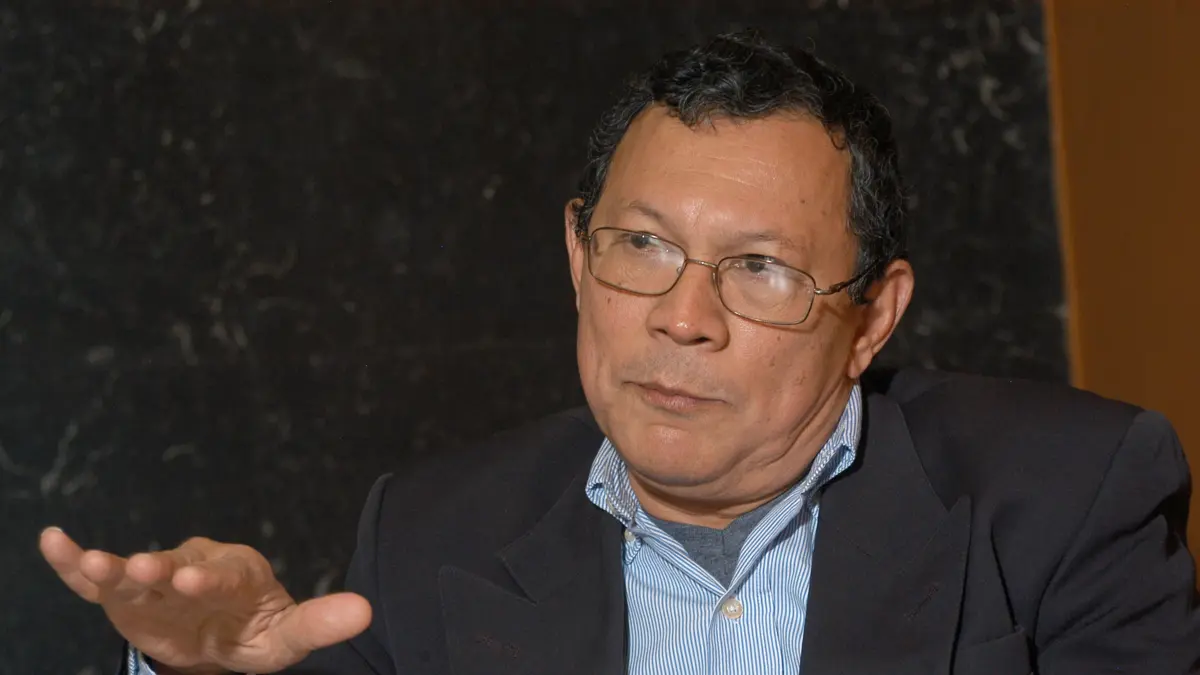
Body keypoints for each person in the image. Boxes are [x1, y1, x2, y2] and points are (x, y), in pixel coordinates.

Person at [39, 30, 1199, 675]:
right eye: (641, 246)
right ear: (576, 255)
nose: (682, 318)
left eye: (759, 268)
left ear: (873, 316)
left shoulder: (1067, 497)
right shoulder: (434, 533)